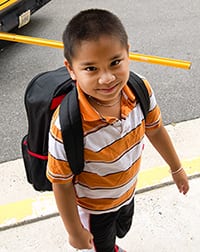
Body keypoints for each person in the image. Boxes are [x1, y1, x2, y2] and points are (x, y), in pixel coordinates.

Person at [47, 9, 189, 252]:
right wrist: (74, 232)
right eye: (91, 69)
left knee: (122, 228)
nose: (107, 78)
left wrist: (176, 168)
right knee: (102, 243)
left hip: (127, 191)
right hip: (95, 207)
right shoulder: (67, 126)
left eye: (115, 62)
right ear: (71, 69)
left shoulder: (139, 89)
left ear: (128, 53)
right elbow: (61, 183)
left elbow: (155, 130)